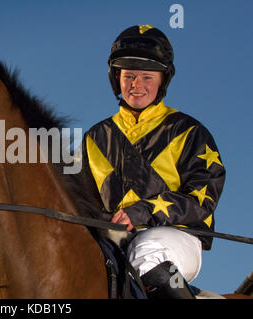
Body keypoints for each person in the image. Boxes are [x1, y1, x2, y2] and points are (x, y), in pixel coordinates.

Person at [80, 25, 226, 299]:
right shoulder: (95, 137)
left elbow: (203, 199)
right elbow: (81, 198)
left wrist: (143, 211)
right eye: (129, 76)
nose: (136, 85)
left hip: (175, 236)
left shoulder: (188, 131)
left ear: (162, 81)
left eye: (147, 77)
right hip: (114, 240)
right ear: (116, 79)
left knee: (146, 252)